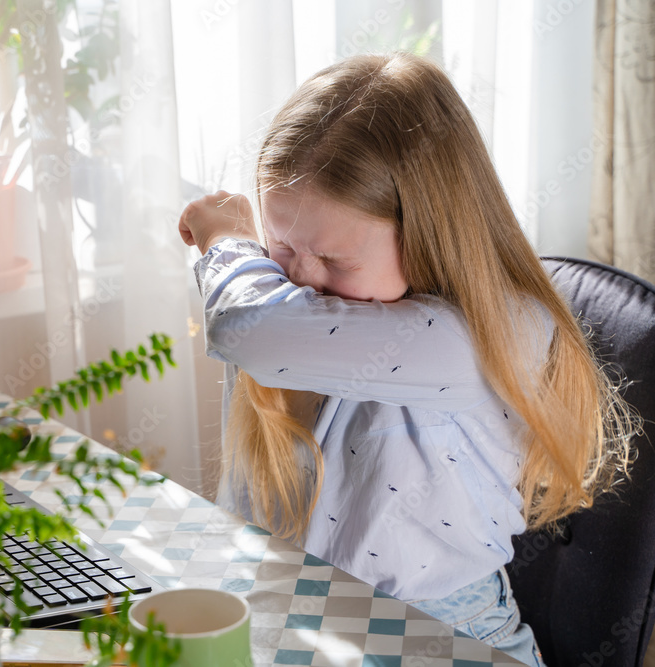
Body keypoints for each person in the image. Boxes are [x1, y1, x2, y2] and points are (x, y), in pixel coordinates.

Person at [177, 52, 637, 666]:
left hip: (442, 635)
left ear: (430, 232)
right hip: (305, 618)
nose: (303, 279)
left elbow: (251, 330)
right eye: (281, 244)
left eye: (336, 261)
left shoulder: (490, 334)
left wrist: (227, 242)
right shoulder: (298, 311)